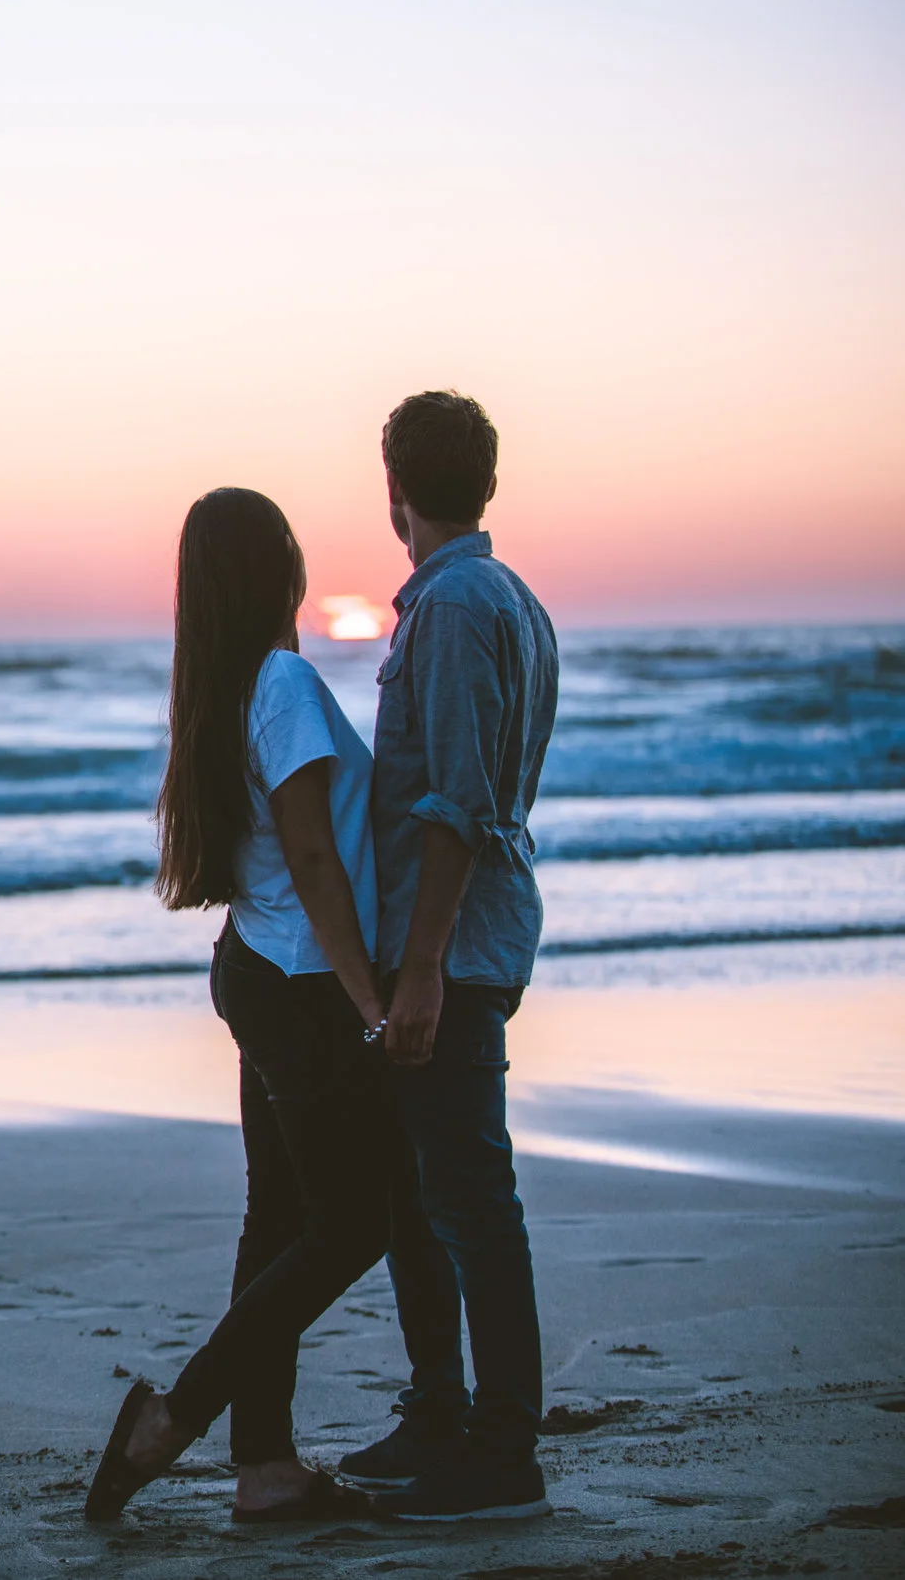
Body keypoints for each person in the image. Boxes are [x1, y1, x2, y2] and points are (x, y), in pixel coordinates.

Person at [84, 487, 395, 1524]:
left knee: (277, 1222)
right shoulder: (286, 684)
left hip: (254, 968)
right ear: (281, 571)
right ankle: (172, 1420)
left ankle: (264, 1466)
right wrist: (370, 999)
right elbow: (310, 852)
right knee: (358, 1219)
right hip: (303, 984)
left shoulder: (220, 691)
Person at [341, 390, 560, 1521]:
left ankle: (501, 1446)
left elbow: (460, 802)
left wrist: (418, 966)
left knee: (468, 1194)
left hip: (454, 947)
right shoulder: (504, 595)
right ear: (483, 482)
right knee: (416, 1189)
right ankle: (437, 1413)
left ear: (395, 495)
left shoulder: (457, 605)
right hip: (461, 934)